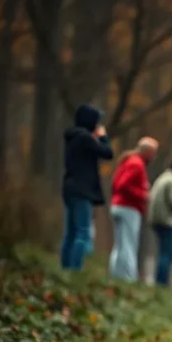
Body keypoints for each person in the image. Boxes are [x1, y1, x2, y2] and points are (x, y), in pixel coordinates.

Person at [60, 104, 113, 271]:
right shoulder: (85, 138)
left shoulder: (73, 137)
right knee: (83, 233)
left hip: (69, 188)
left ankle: (65, 268)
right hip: (82, 190)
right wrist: (103, 137)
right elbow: (107, 153)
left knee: (71, 233)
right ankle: (75, 270)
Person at [109, 137, 158, 282]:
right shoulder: (137, 164)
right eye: (153, 153)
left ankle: (116, 275)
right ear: (147, 151)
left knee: (120, 244)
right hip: (128, 207)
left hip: (118, 205)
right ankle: (129, 278)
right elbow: (123, 185)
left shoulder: (127, 161)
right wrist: (143, 194)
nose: (154, 157)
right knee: (129, 244)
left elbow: (115, 183)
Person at [148, 156, 172, 287]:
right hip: (167, 220)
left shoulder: (163, 177)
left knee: (163, 252)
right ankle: (162, 282)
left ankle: (160, 281)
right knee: (169, 253)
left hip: (157, 219)